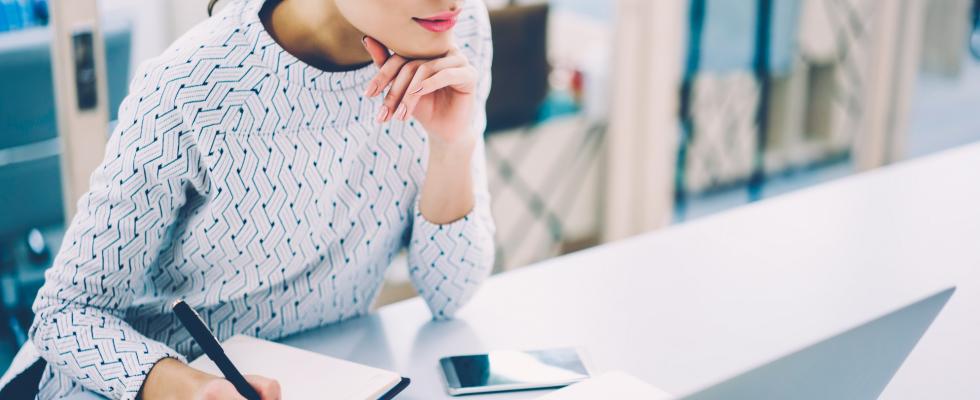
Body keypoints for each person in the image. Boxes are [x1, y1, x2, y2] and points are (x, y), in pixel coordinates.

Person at [25, 0, 494, 398]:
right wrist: (192, 388)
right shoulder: (191, 86)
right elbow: (65, 314)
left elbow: (450, 293)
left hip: (326, 375)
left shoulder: (453, 31)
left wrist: (453, 145)